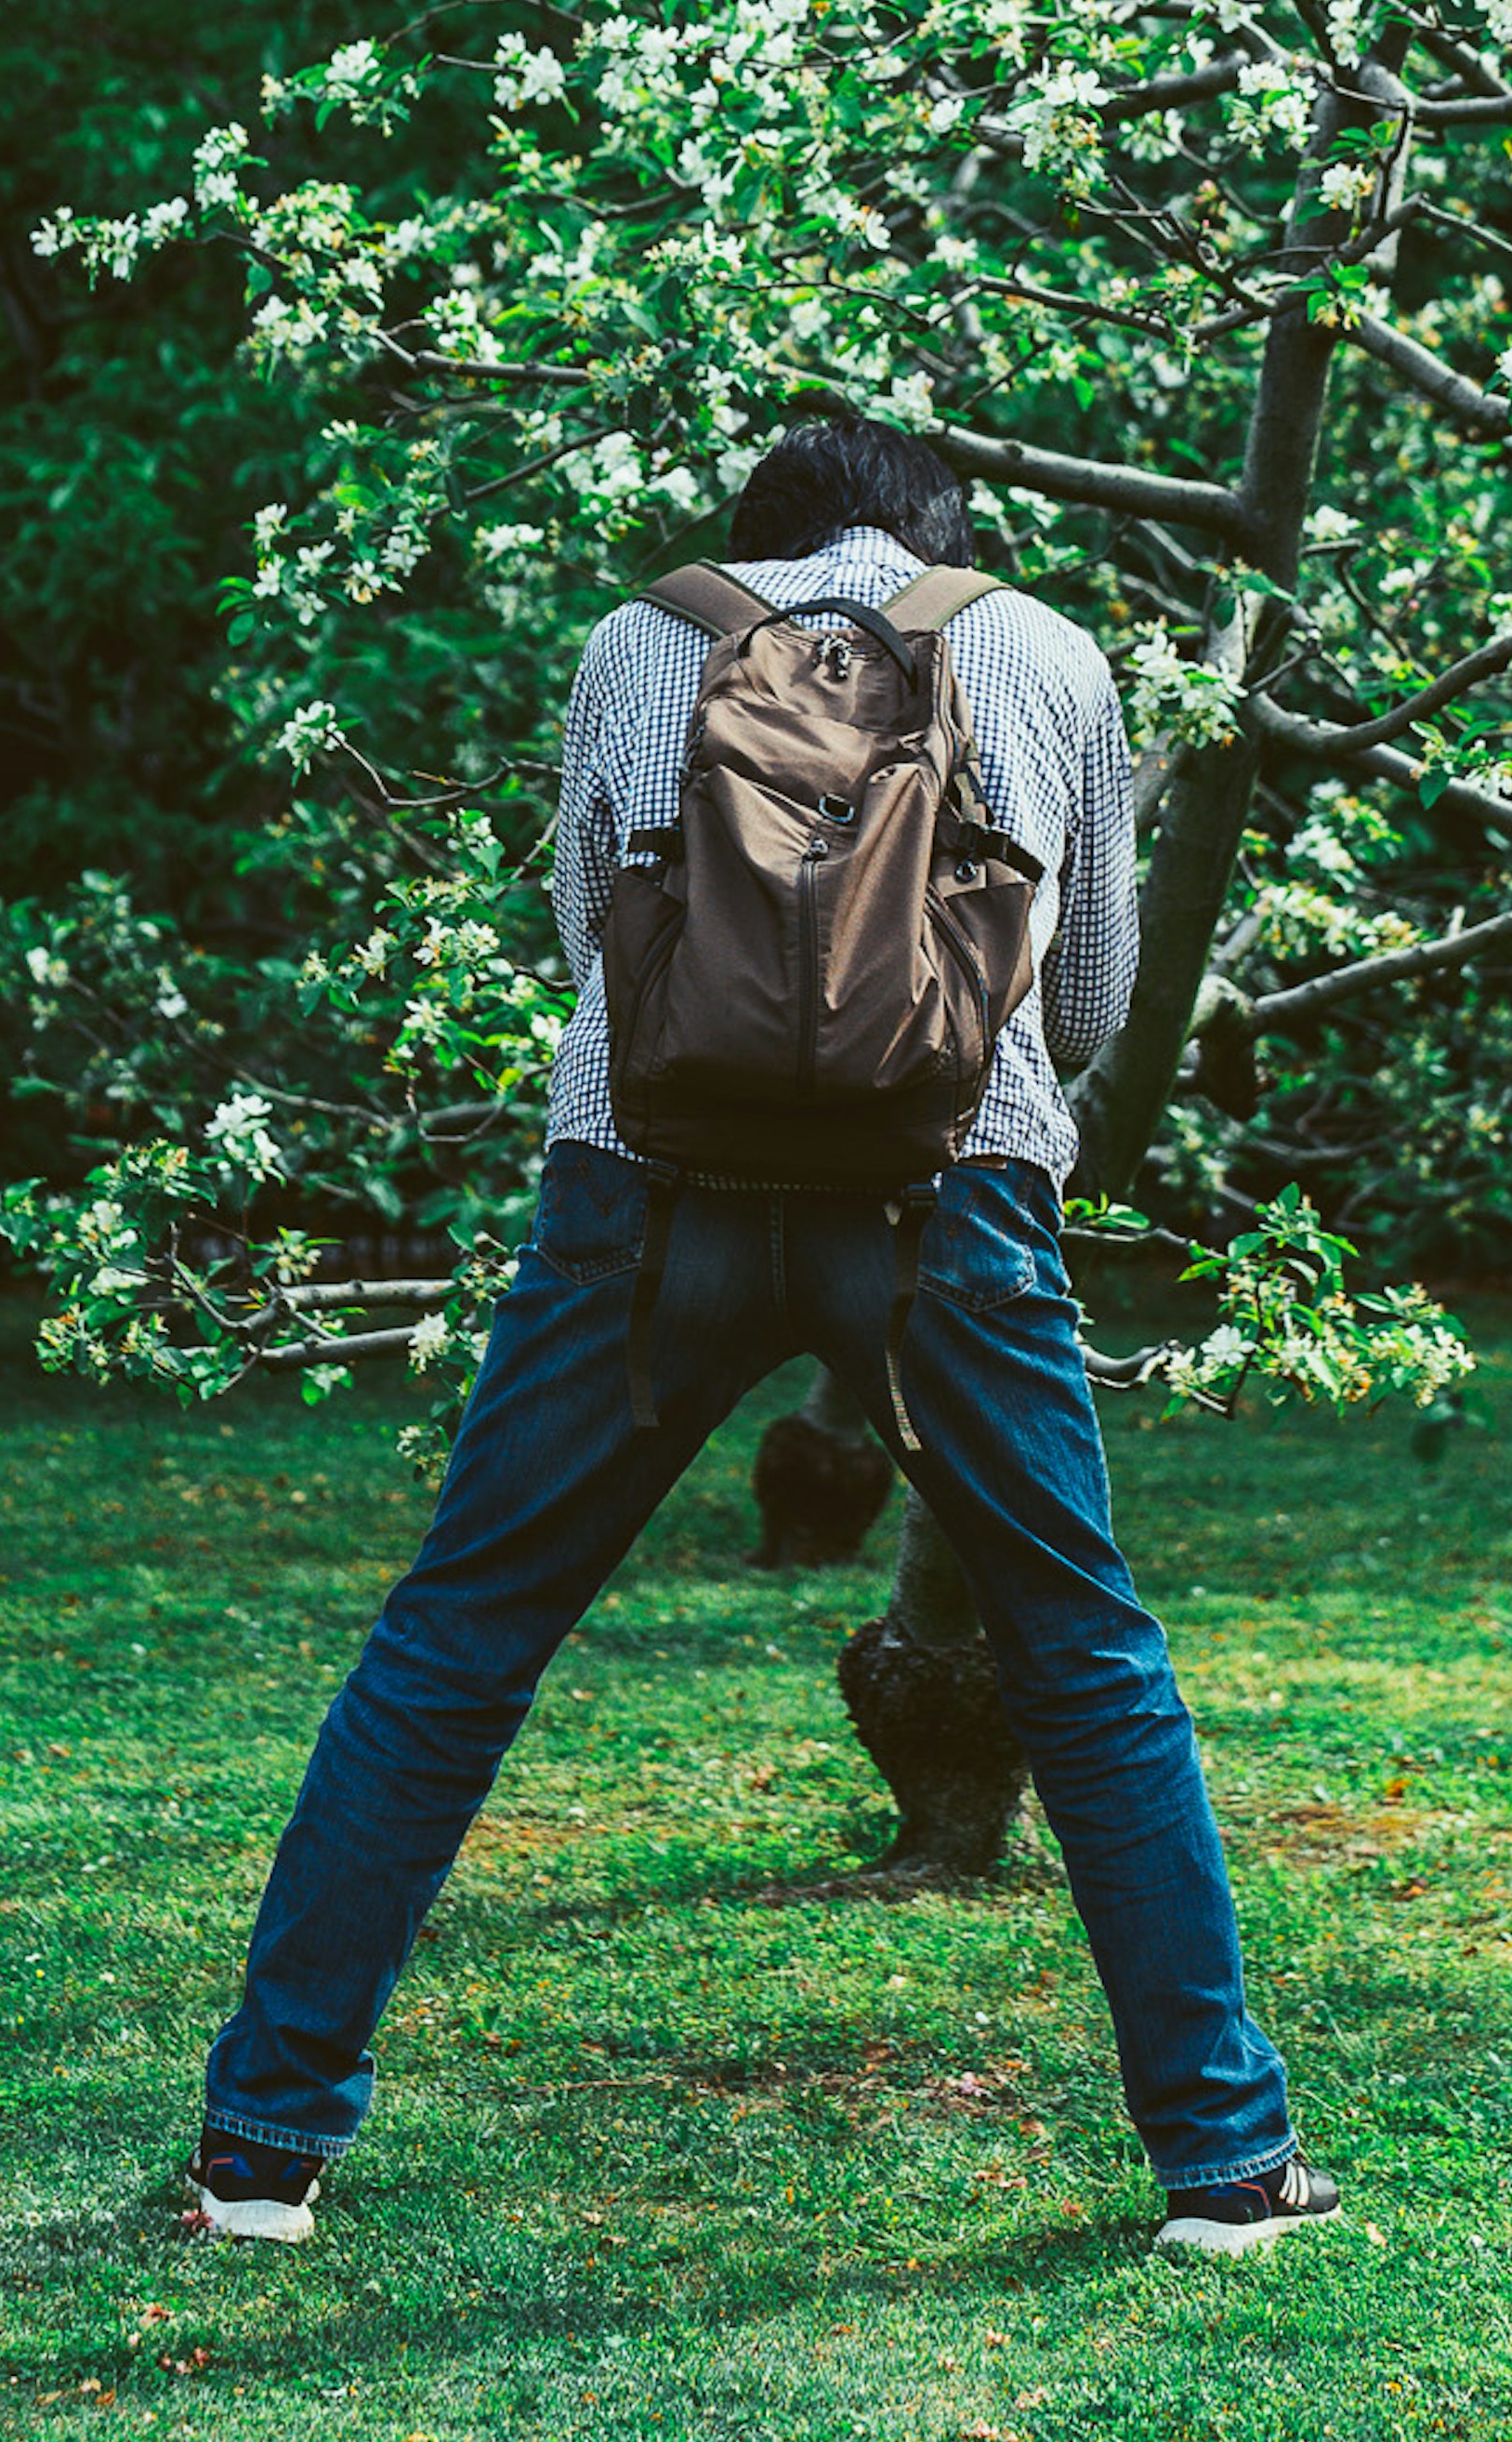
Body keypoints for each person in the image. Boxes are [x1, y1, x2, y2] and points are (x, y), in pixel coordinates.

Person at [187, 412, 1338, 2264]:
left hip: (650, 1201)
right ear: (935, 531)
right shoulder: (1038, 646)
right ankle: (1223, 2164)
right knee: (1086, 1653)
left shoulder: (646, 638)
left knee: (461, 1631)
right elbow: (1100, 993)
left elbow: (594, 945)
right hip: (949, 1199)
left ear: (764, 533)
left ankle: (261, 2150)